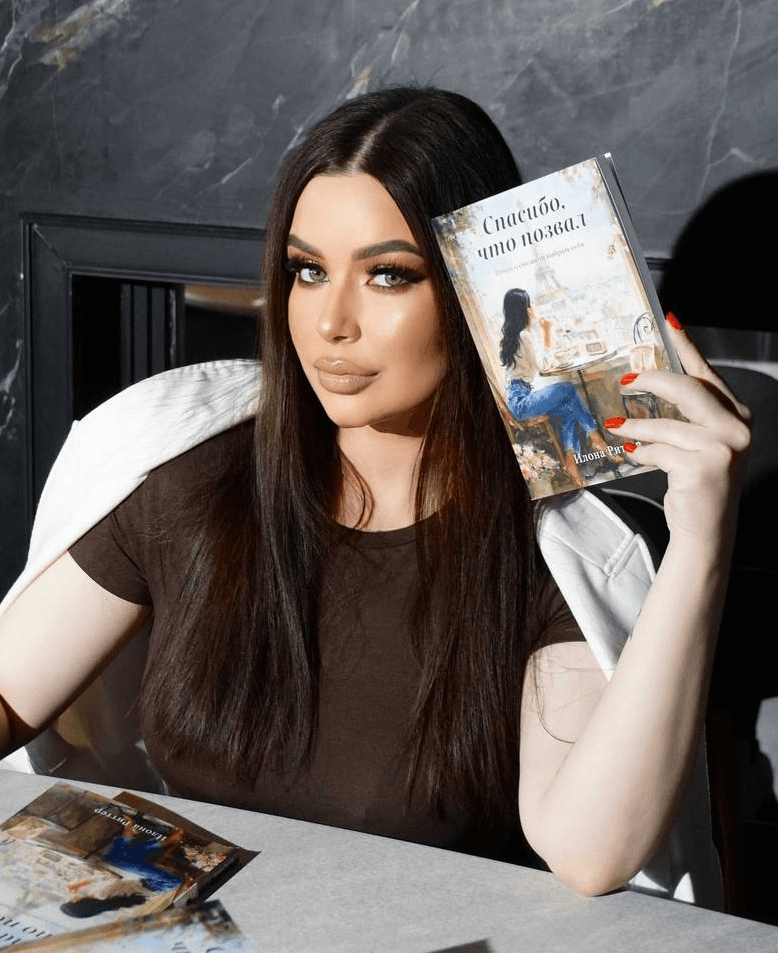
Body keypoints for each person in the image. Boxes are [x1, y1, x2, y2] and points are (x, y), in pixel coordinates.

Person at [0, 87, 750, 901]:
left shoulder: (548, 551)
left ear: (477, 292)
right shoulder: (194, 478)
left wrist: (704, 536)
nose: (330, 323)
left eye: (389, 276)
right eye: (308, 271)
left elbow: (591, 852)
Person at [500, 286, 611, 485]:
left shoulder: (511, 337)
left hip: (517, 399)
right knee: (568, 389)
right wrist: (547, 332)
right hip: (522, 403)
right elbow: (543, 366)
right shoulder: (524, 336)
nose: (532, 309)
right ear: (524, 310)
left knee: (569, 409)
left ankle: (571, 461)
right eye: (529, 305)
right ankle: (594, 435)